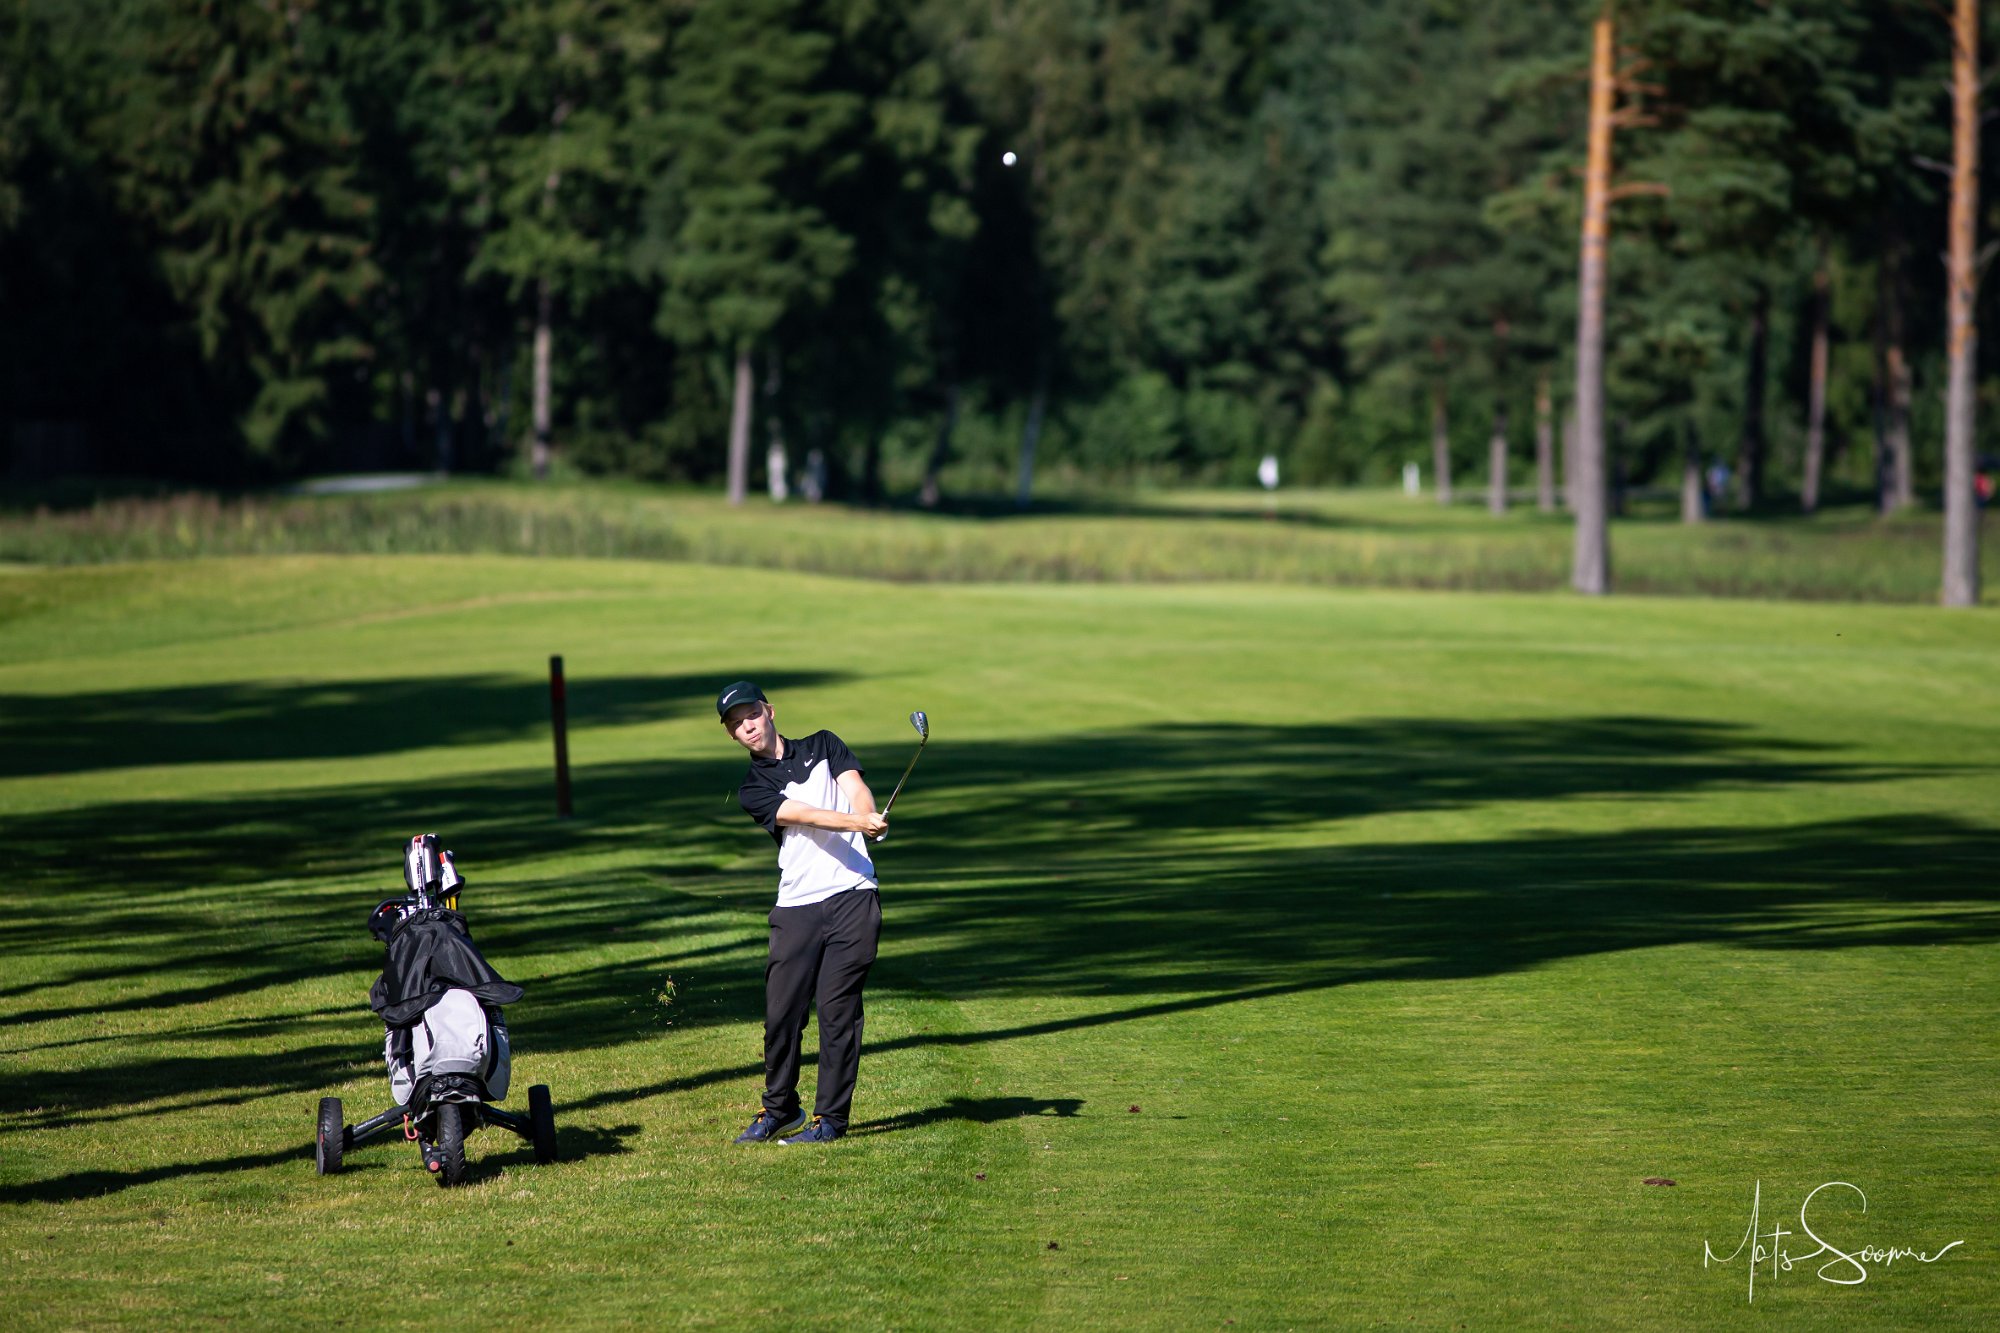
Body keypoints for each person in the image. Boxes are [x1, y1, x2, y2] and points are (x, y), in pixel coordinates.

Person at [717, 680, 887, 1145]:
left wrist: (869, 817)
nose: (746, 727)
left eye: (750, 715)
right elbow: (806, 815)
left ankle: (829, 1119)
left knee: (838, 1011)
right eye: (735, 725)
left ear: (769, 711)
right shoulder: (754, 788)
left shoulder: (824, 744)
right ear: (732, 737)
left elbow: (857, 791)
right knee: (782, 1012)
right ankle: (780, 1109)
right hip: (797, 904)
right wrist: (856, 823)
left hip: (853, 894)